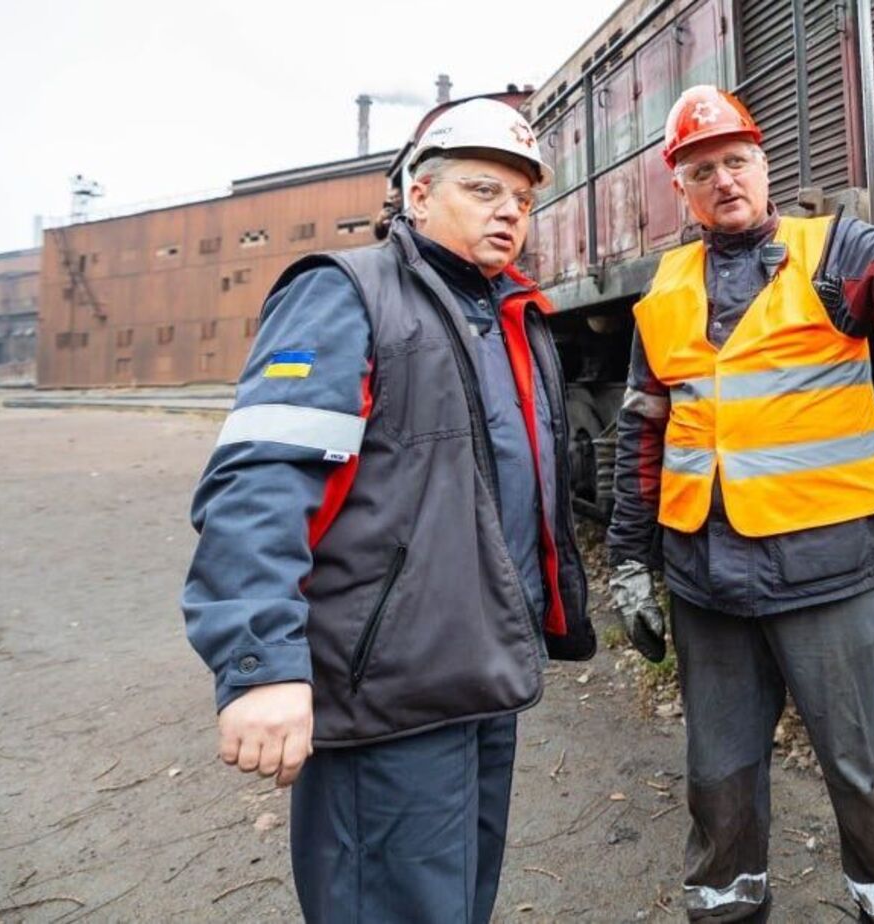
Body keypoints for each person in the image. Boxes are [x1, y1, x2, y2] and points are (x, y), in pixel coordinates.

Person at [180, 95, 594, 924]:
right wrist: (260, 663)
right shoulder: (346, 296)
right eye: (484, 190)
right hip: (387, 696)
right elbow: (263, 478)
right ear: (417, 194)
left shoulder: (511, 319)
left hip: (479, 681)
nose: (510, 211)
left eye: (522, 198)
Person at [606, 85, 874, 922]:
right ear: (680, 189)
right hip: (706, 586)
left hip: (832, 576)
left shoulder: (831, 253)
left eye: (737, 162)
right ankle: (725, 910)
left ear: (764, 167)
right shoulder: (665, 290)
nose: (723, 181)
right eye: (701, 170)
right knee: (718, 790)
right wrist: (628, 560)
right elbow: (643, 435)